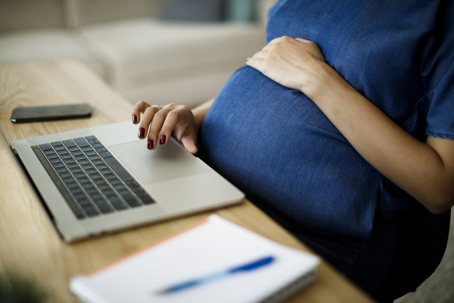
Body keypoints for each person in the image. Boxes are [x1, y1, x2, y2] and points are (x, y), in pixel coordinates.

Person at [131, 0, 454, 301]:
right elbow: (270, 71)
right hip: (210, 185)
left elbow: (440, 187)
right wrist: (194, 117)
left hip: (308, 233)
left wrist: (317, 78)